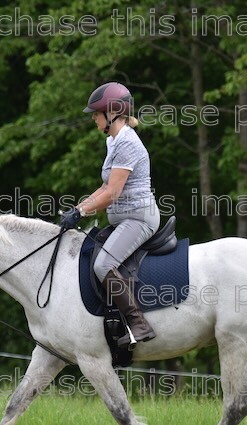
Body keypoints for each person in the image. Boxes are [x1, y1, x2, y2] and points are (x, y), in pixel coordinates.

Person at [59, 81, 160, 349]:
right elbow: (104, 187)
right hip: (123, 220)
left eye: (96, 113)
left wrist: (81, 212)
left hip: (139, 219)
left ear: (112, 113)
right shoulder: (114, 141)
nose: (93, 117)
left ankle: (138, 324)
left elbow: (113, 192)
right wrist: (77, 209)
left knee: (103, 265)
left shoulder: (127, 142)